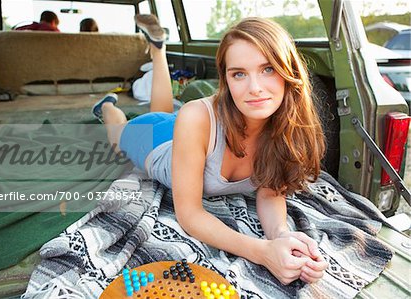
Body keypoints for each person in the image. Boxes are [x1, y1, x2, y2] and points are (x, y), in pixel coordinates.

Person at [92, 15, 328, 285]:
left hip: (186, 131)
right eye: (239, 73)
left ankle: (158, 50)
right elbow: (189, 214)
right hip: (154, 141)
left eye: (268, 69)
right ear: (226, 80)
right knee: (119, 135)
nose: (255, 88)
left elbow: (270, 191)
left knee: (165, 112)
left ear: (289, 71)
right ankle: (108, 107)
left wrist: (280, 234)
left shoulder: (285, 125)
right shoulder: (196, 116)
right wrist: (262, 252)